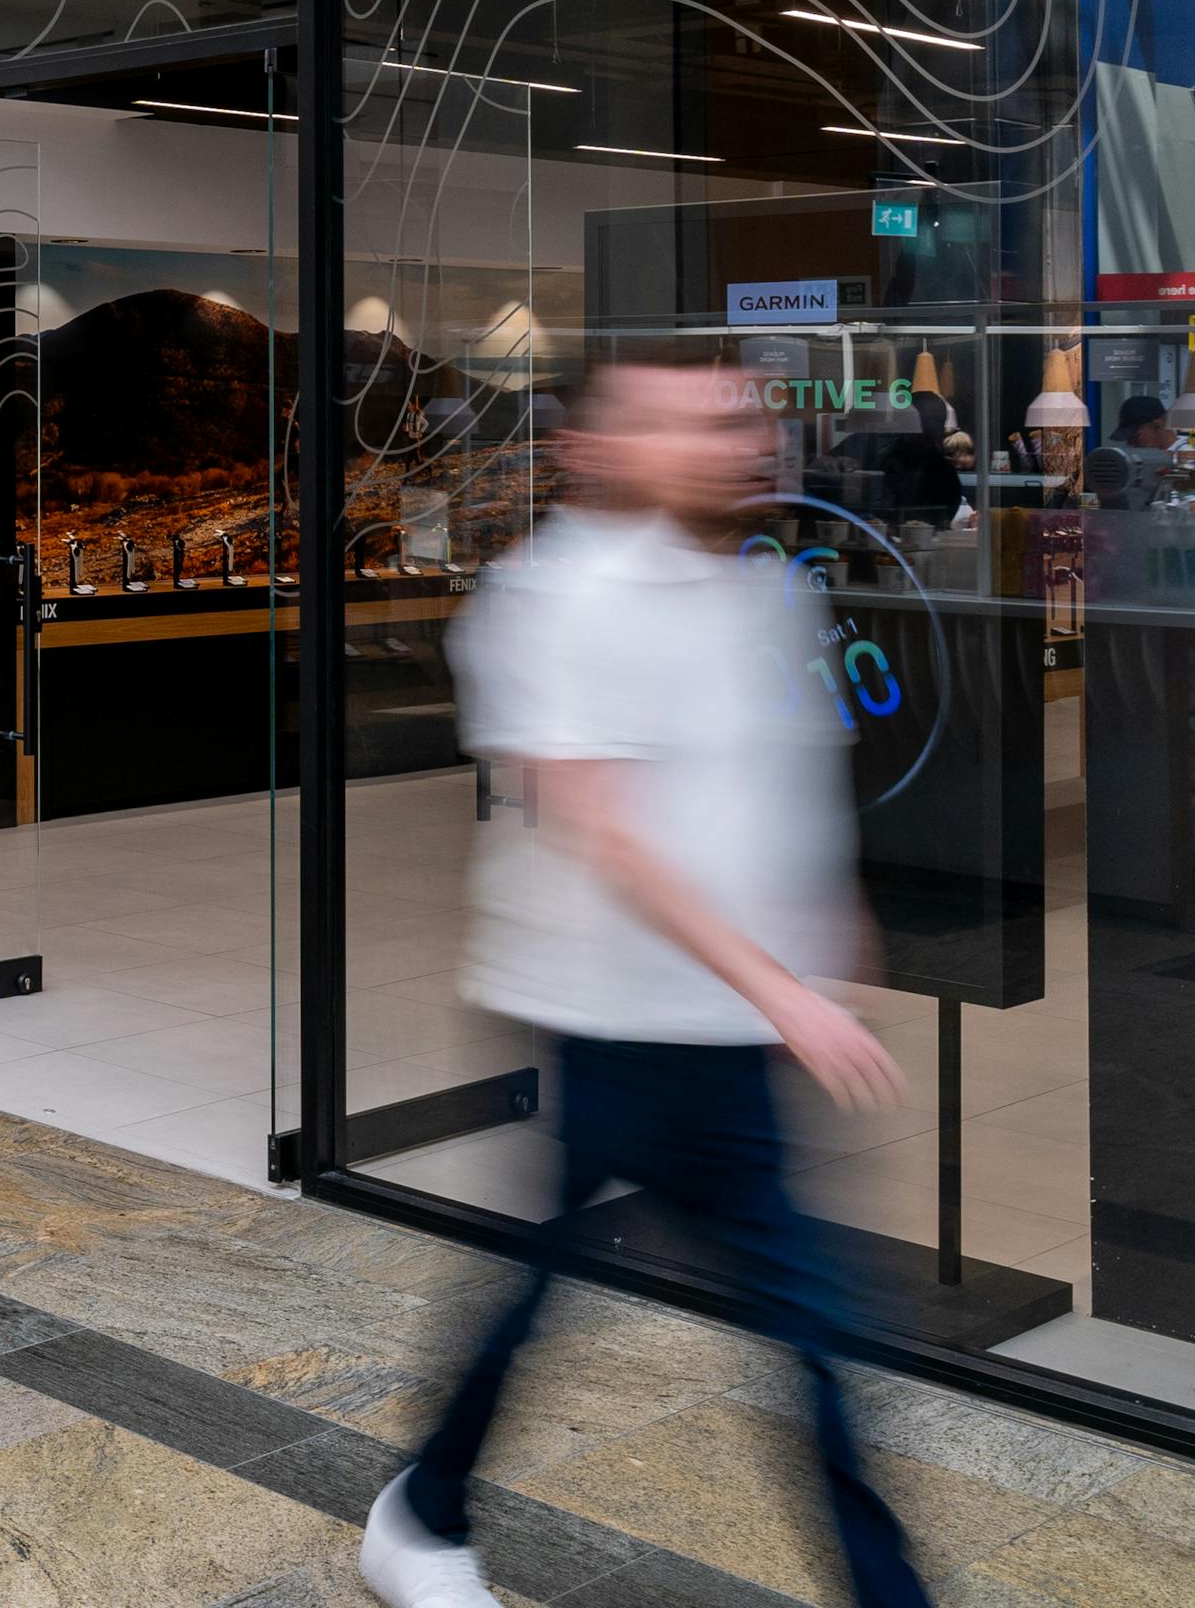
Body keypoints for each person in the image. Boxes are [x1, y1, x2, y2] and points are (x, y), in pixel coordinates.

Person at [361, 356, 932, 1608]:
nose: (739, 443)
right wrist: (783, 988)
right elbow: (600, 826)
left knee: (676, 1299)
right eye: (694, 425)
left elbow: (777, 788)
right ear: (605, 450)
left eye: (743, 422)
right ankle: (424, 1510)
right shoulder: (551, 596)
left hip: (723, 1024)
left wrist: (831, 930)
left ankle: (426, 1506)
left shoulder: (763, 590)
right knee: (790, 1317)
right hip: (612, 1015)